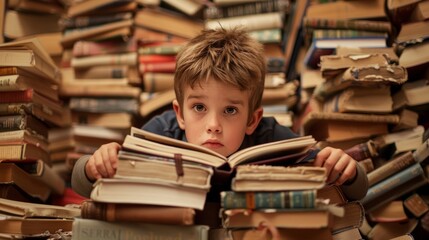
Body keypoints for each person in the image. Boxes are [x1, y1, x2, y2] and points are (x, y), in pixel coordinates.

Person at [72, 27, 368, 203]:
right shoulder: (161, 133)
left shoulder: (270, 138)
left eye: (230, 110)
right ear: (180, 113)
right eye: (199, 108)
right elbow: (81, 183)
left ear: (252, 119)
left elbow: (357, 189)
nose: (213, 126)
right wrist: (94, 165)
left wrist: (348, 170)